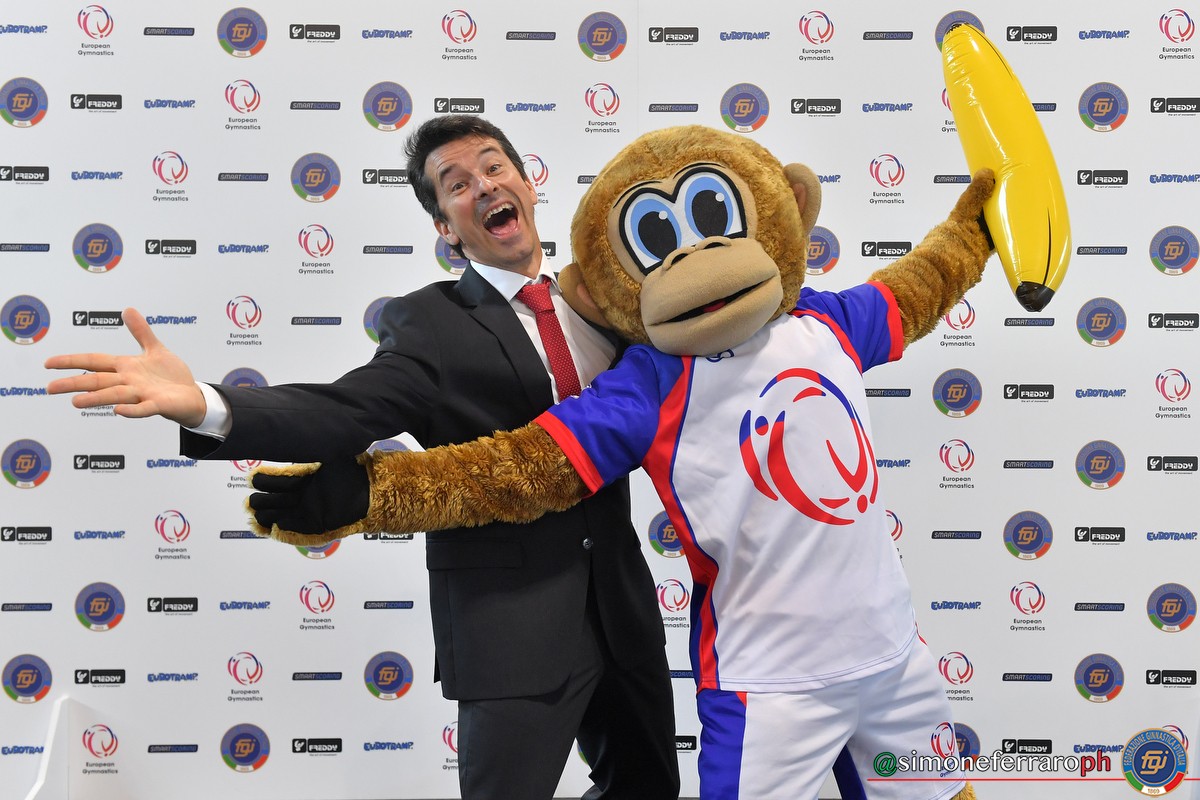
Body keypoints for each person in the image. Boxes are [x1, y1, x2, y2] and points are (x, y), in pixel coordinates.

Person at [45, 115, 680, 800]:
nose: (483, 186)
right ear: (445, 227)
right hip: (510, 629)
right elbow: (347, 410)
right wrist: (206, 404)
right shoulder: (430, 322)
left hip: (624, 612)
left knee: (648, 789)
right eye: (457, 184)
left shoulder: (606, 299)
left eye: (495, 167)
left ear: (527, 185)